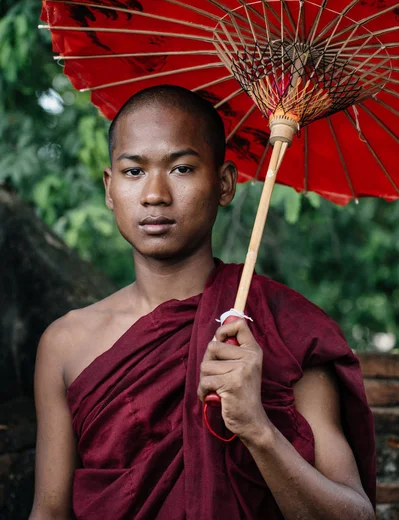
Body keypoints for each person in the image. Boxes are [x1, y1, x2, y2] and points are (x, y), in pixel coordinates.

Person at [29, 85, 376, 520]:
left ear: (224, 183)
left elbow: (357, 514)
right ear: (109, 187)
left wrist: (257, 428)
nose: (155, 194)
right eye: (134, 172)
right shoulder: (65, 344)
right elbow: (49, 512)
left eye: (182, 168)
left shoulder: (284, 328)